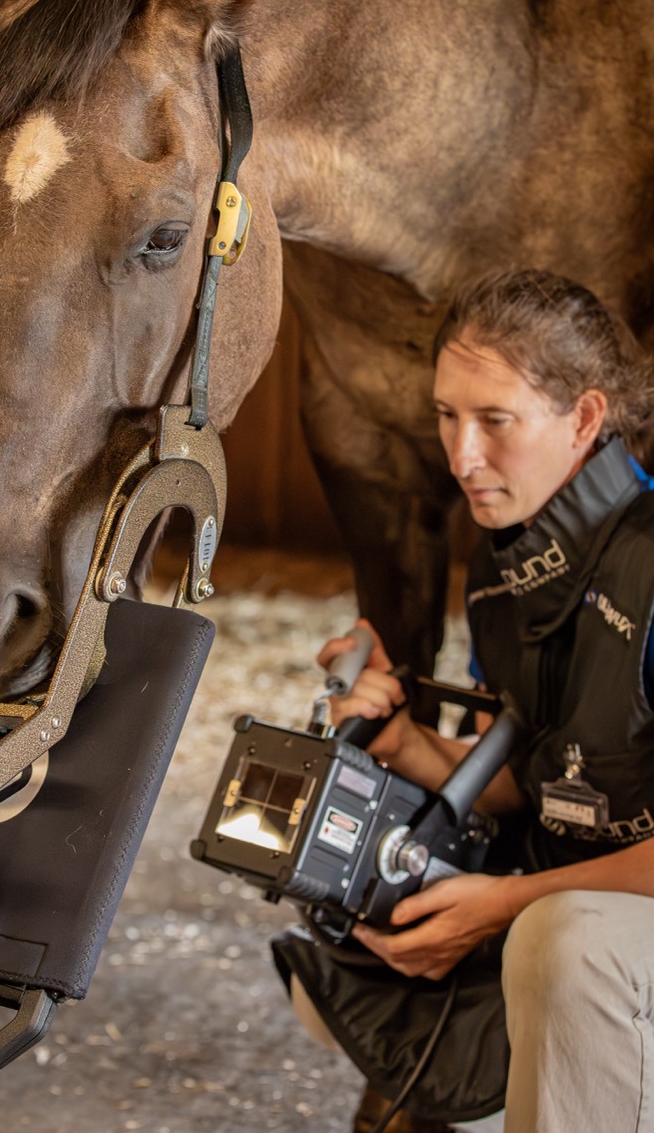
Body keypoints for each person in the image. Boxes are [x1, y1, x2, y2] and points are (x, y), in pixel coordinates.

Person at [275, 270, 654, 1133]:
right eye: (448, 416)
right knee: (346, 953)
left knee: (562, 948)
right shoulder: (499, 573)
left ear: (586, 418)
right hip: (571, 904)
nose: (460, 456)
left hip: (594, 927)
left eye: (495, 422)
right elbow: (518, 781)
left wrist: (506, 907)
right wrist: (400, 742)